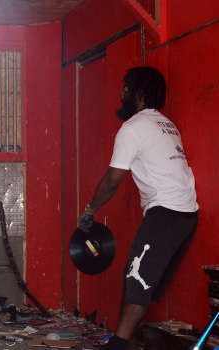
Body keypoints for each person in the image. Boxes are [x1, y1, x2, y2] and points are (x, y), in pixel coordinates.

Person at [77, 67, 198, 350]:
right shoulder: (167, 125)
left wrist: (90, 209)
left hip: (166, 213)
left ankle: (118, 346)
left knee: (137, 281)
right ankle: (125, 344)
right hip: (186, 216)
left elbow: (111, 182)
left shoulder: (133, 127)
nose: (122, 94)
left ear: (140, 91)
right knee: (139, 282)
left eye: (126, 88)